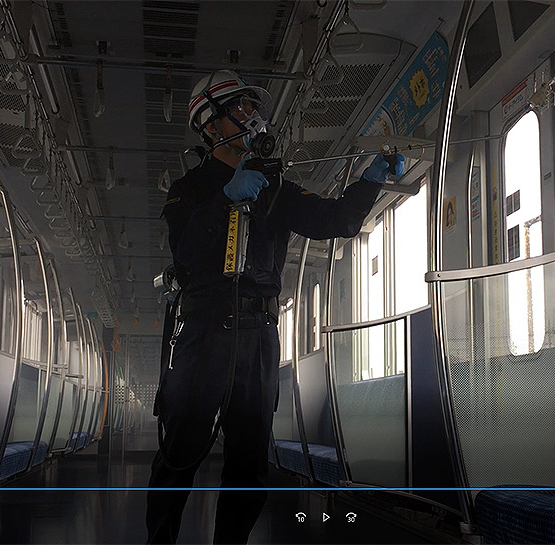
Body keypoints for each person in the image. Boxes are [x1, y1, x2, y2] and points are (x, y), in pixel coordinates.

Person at [146, 69, 404, 544]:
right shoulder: (189, 189)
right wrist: (226, 198)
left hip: (260, 338)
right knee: (180, 453)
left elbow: (338, 220)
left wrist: (371, 181)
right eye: (241, 109)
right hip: (204, 334)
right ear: (211, 124)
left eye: (253, 107)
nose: (254, 116)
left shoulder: (275, 188)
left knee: (249, 464)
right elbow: (184, 251)